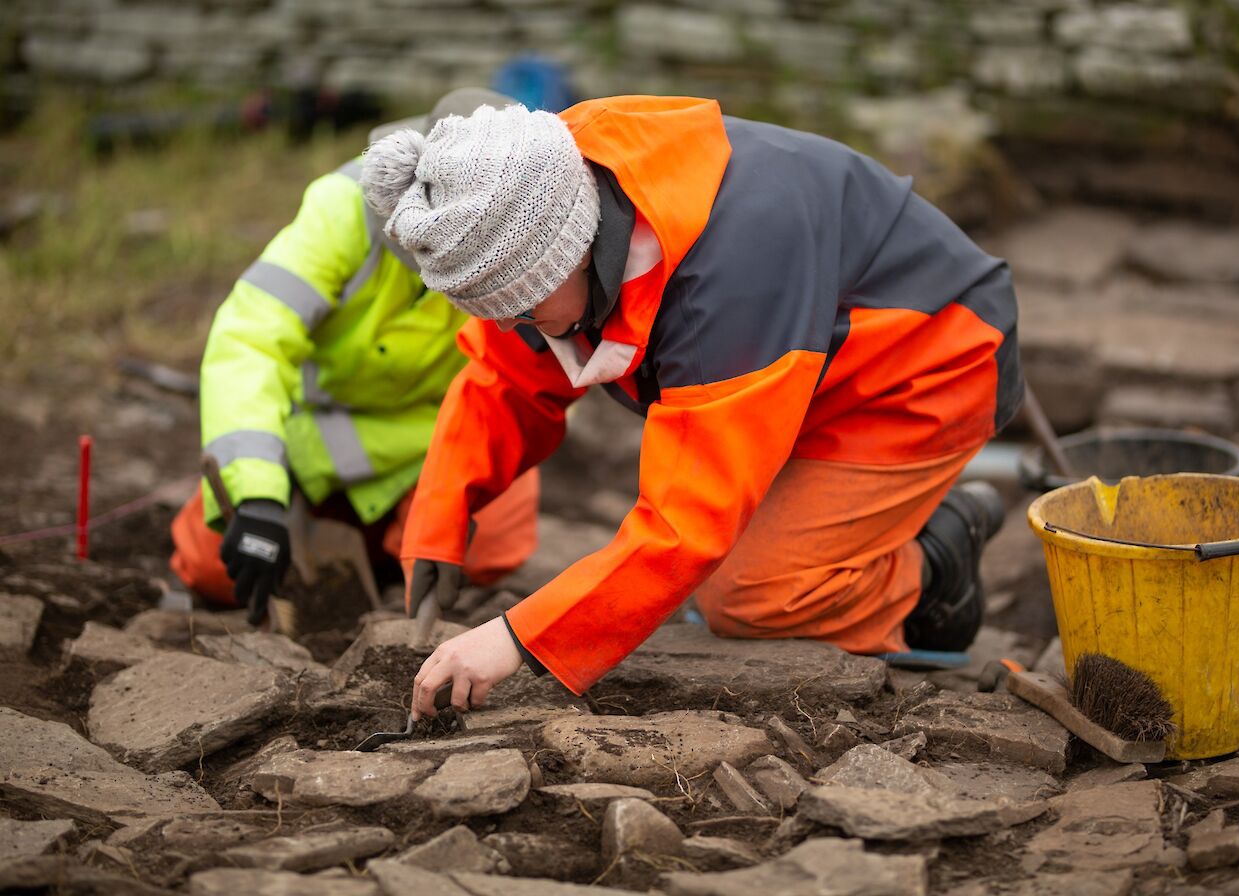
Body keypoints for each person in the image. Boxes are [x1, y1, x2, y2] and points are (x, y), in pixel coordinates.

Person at [359, 96, 1021, 718]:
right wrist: (438, 526)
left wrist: (516, 638)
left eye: (522, 309)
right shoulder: (551, 179)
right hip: (804, 362)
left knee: (748, 597)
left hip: (928, 360)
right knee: (705, 572)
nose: (510, 328)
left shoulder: (728, 279)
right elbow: (502, 380)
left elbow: (687, 525)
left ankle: (937, 564)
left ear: (575, 252)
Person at [169, 89, 539, 623]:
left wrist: (456, 492)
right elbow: (250, 338)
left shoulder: (528, 239)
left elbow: (519, 389)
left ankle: (378, 549)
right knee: (213, 567)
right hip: (310, 440)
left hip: (430, 446)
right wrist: (256, 496)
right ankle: (339, 534)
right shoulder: (341, 206)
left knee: (491, 547)